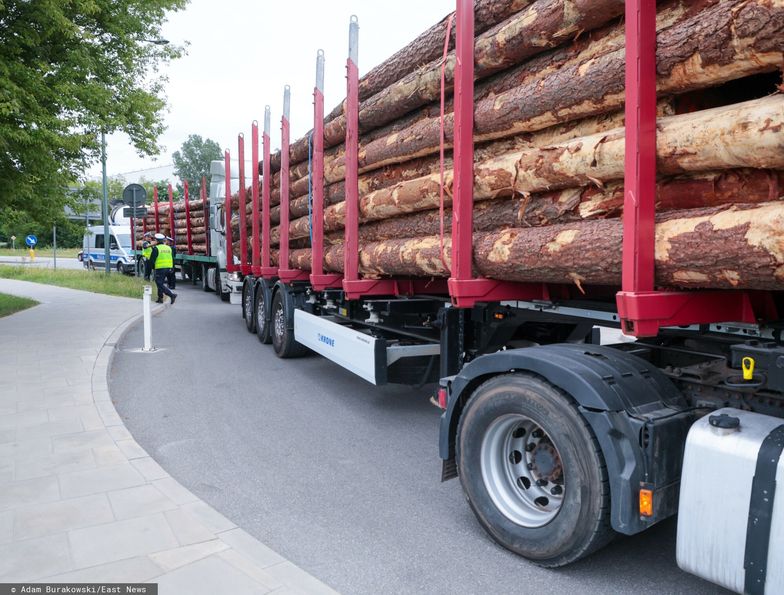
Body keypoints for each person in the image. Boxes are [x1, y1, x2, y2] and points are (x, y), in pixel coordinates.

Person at [148, 233, 177, 304]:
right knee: (160, 283)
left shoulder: (156, 248)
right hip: (168, 268)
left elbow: (152, 260)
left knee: (159, 283)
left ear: (157, 241)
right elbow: (172, 258)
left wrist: (152, 268)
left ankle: (171, 295)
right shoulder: (168, 248)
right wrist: (172, 267)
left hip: (160, 268)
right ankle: (160, 298)